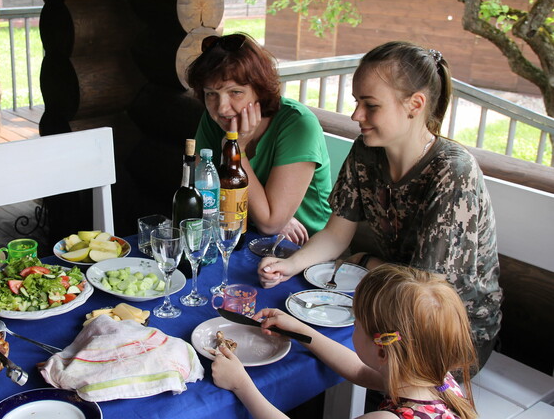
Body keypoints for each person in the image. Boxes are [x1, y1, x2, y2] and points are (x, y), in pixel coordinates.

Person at [258, 41, 502, 368]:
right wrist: (292, 264)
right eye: (357, 102)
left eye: (370, 105)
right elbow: (336, 235)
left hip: (448, 333)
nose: (356, 115)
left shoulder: (453, 173)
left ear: (415, 104)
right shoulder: (367, 151)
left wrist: (368, 261)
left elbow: (425, 289)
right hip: (394, 304)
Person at [212, 264, 478, 419]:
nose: (353, 326)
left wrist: (240, 384)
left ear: (383, 353)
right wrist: (303, 332)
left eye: (356, 323)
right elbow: (361, 371)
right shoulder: (434, 378)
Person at [187, 33, 332, 245]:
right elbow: (203, 197)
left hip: (306, 247)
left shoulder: (298, 125)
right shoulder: (215, 119)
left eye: (235, 92)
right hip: (240, 233)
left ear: (259, 91)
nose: (221, 107)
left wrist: (237, 149)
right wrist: (268, 215)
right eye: (211, 94)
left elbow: (269, 223)